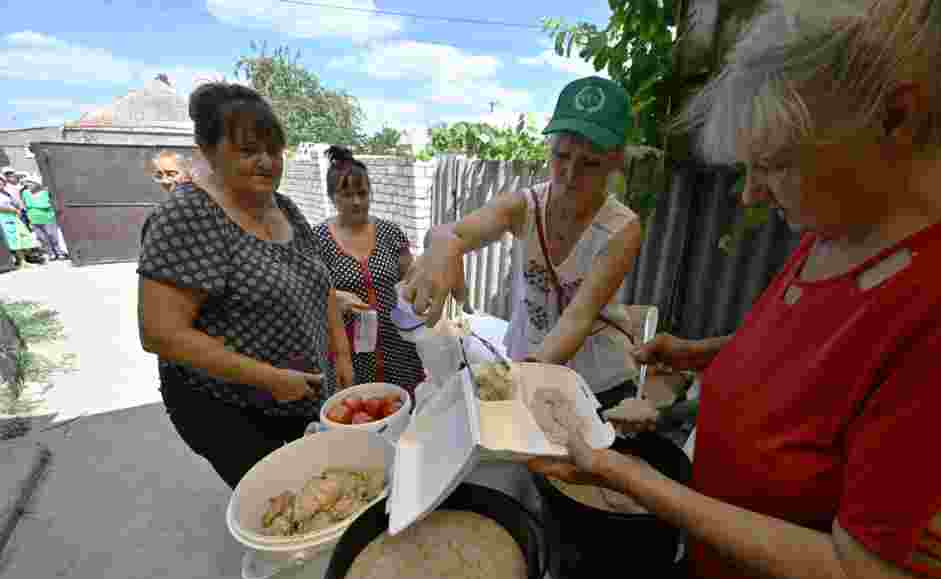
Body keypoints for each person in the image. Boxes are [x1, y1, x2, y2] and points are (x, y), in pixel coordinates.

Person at [528, 1, 941, 579]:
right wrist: (714, 352)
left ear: (895, 119)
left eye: (777, 164)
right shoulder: (851, 218)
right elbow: (837, 353)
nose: (750, 196)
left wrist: (637, 481)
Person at [137, 82, 354, 489]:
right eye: (249, 150)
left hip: (299, 395)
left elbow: (321, 286)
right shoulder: (186, 217)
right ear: (208, 150)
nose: (267, 162)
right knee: (285, 501)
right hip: (232, 409)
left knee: (321, 485)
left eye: (274, 150)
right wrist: (268, 377)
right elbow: (161, 334)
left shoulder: (283, 206)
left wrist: (341, 356)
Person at [403, 76, 644, 411]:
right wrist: (443, 245)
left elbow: (577, 319)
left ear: (616, 161)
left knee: (576, 452)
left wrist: (508, 389)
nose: (570, 175)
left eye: (590, 163)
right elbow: (456, 232)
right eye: (562, 156)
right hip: (529, 354)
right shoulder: (525, 205)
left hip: (597, 375)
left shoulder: (622, 229)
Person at [311, 146, 425, 395]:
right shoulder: (317, 240)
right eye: (346, 194)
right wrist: (335, 298)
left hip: (398, 346)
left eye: (362, 193)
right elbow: (309, 293)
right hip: (350, 350)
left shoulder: (391, 233)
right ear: (332, 196)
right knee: (361, 409)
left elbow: (412, 280)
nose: (356, 201)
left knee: (403, 405)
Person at [20, 175, 69, 261]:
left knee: (52, 235)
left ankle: (59, 252)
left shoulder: (45, 192)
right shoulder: (25, 193)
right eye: (27, 183)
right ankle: (51, 253)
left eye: (30, 182)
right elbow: (25, 205)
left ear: (36, 184)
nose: (28, 184)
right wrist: (29, 217)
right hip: (34, 219)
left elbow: (50, 203)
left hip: (48, 218)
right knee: (41, 238)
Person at [1, 167, 38, 268]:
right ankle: (20, 261)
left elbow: (15, 202)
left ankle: (25, 259)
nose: (1, 183)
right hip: (4, 218)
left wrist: (17, 209)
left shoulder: (5, 192)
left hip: (14, 216)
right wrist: (12, 210)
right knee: (12, 240)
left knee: (21, 237)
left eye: (1, 181)